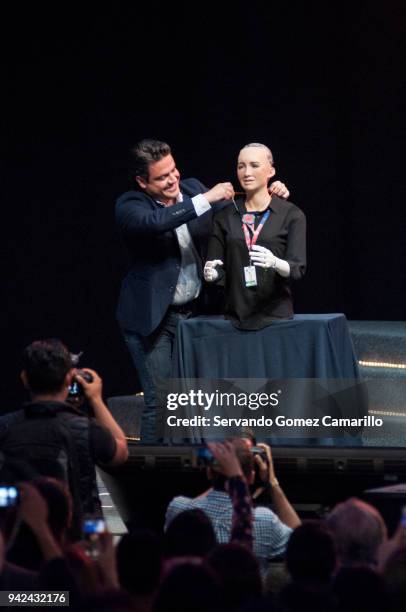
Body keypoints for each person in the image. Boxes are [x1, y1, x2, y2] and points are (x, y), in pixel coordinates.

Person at [115, 139, 290, 440]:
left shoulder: (193, 187)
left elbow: (241, 209)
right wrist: (206, 199)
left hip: (195, 314)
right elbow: (155, 223)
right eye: (161, 177)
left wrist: (270, 193)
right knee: (161, 402)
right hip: (152, 319)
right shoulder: (131, 206)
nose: (173, 180)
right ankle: (148, 481)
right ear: (142, 182)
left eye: (173, 171)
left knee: (197, 402)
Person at [0, 339, 128, 536]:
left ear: (25, 378)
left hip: (20, 535)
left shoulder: (6, 427)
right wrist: (95, 399)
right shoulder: (85, 428)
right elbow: (121, 452)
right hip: (78, 539)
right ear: (69, 379)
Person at [204, 142, 306, 330]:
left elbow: (297, 269)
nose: (246, 172)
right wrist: (212, 274)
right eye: (241, 166)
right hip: (234, 318)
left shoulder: (291, 215)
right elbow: (216, 267)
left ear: (271, 171)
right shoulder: (224, 216)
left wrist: (275, 262)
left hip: (276, 319)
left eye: (254, 165)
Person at [165, 439, 300, 574]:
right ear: (251, 477)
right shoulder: (264, 519)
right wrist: (271, 482)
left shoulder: (178, 508)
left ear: (209, 473)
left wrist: (222, 474)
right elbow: (302, 542)